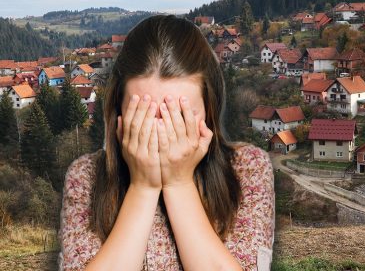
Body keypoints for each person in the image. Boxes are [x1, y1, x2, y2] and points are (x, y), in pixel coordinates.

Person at [58, 15, 275, 270]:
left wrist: (179, 183)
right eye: (144, 116)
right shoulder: (85, 176)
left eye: (179, 117)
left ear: (209, 111)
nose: (162, 133)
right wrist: (143, 187)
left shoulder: (248, 168)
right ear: (118, 113)